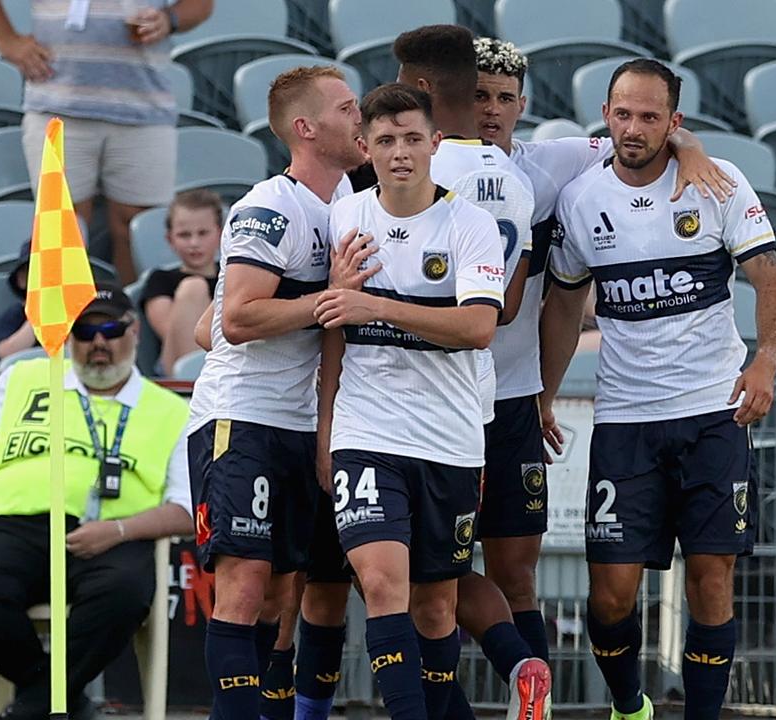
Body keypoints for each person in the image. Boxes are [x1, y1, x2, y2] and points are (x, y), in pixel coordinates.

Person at [540, 59, 776, 720]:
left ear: (673, 122)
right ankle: (631, 707)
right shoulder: (582, 199)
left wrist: (765, 361)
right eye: (623, 113)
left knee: (713, 579)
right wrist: (545, 392)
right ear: (606, 114)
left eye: (651, 117)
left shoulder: (716, 182)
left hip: (713, 415)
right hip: (627, 420)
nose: (634, 127)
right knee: (610, 596)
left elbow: (768, 277)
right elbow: (564, 305)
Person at [316, 82, 510, 720]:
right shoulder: (345, 217)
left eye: (411, 139)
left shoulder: (470, 226)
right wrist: (326, 431)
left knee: (436, 609)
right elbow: (335, 335)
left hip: (450, 440)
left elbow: (478, 327)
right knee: (379, 583)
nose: (400, 152)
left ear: (434, 144)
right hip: (367, 433)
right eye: (386, 140)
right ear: (366, 149)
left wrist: (373, 303)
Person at [187, 64, 371, 720]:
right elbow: (235, 320)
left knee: (280, 599)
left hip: (301, 424)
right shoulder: (273, 204)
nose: (362, 119)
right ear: (306, 128)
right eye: (348, 109)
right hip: (242, 417)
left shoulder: (350, 200)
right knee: (243, 588)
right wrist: (332, 298)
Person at [392, 25, 555, 720]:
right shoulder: (516, 181)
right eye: (482, 93)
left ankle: (453, 702)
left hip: (423, 404)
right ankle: (525, 672)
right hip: (489, 393)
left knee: (428, 578)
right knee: (465, 574)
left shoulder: (407, 172)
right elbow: (509, 303)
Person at [0, 280, 194, 720]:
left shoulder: (171, 410)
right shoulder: (24, 378)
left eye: (112, 329)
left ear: (134, 332)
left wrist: (118, 531)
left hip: (112, 538)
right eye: (84, 331)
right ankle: (59, 703)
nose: (99, 342)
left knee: (124, 594)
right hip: (12, 525)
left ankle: (33, 707)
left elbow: (186, 509)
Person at [0, 0, 213, 284]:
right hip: (57, 104)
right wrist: (6, 40)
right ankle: (66, 325)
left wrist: (169, 19)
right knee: (64, 228)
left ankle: (129, 322)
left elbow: (202, 5)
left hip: (144, 108)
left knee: (136, 229)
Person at [140, 188, 221, 374]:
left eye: (203, 233)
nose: (194, 243)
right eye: (184, 235)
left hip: (227, 359)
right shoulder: (160, 279)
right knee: (194, 287)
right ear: (170, 239)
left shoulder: (232, 275)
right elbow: (171, 331)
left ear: (220, 234)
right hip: (176, 367)